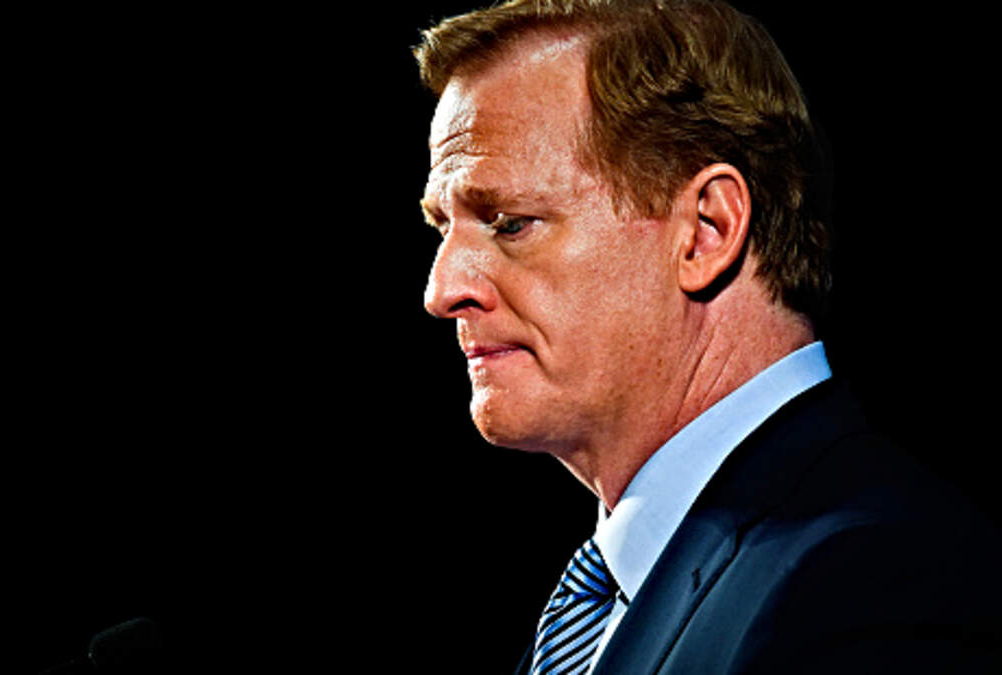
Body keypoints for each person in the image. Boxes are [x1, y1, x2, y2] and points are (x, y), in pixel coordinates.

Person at [414, 1, 1000, 673]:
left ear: (707, 231)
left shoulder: (876, 580)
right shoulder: (622, 592)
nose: (441, 290)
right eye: (442, 228)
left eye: (510, 223)